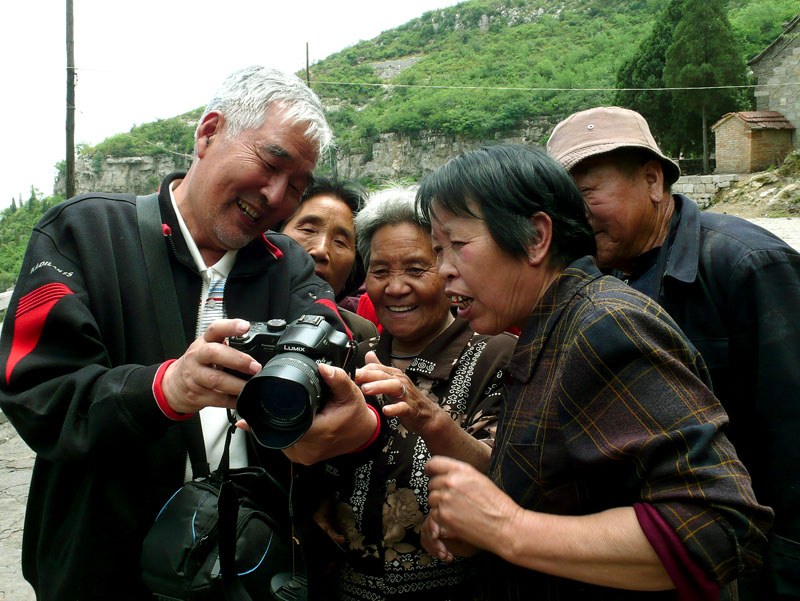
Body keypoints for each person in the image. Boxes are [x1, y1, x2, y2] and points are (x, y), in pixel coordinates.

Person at [0, 66, 374, 601]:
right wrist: (166, 389)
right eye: (271, 162)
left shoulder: (286, 264)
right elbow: (36, 393)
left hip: (245, 566)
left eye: (297, 186)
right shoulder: (82, 233)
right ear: (208, 133)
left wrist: (350, 423)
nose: (276, 196)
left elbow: (336, 354)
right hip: (101, 570)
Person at [398, 144, 771, 600]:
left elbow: (718, 526)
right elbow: (559, 485)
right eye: (438, 250)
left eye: (457, 245)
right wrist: (475, 517)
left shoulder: (604, 324)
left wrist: (509, 529)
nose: (443, 271)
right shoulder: (551, 327)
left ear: (536, 237)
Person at [547, 106, 800, 600]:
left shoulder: (747, 265)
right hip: (663, 558)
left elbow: (792, 437)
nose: (574, 218)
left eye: (587, 194)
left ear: (652, 180)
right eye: (562, 203)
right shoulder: (593, 280)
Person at [316, 186, 517, 600]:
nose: (395, 287)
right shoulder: (349, 358)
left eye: (415, 268)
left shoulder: (497, 355)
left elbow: (509, 475)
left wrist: (430, 419)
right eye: (380, 270)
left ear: (447, 269)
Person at [281, 175, 378, 341]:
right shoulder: (227, 306)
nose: (321, 250)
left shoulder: (361, 337)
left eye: (340, 242)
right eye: (308, 230)